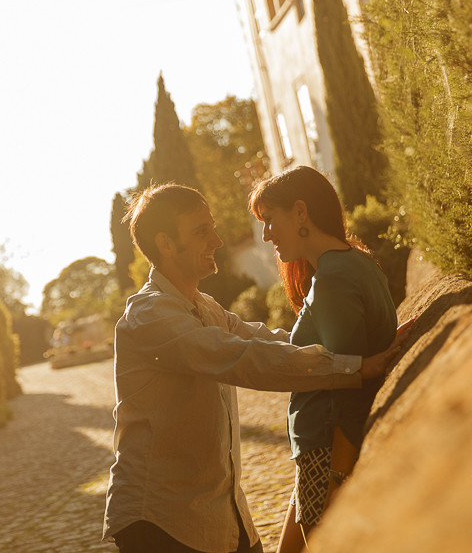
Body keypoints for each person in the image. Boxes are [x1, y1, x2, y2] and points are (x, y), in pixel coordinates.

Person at [102, 183, 408, 553]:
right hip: (160, 523)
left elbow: (264, 341)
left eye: (212, 227)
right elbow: (244, 359)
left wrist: (365, 346)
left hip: (221, 517)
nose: (217, 240)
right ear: (165, 244)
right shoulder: (149, 316)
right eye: (202, 231)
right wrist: (351, 369)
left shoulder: (204, 307)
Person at [248, 166, 401, 552]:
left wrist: (334, 478)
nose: (266, 235)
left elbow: (346, 389)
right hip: (315, 453)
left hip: (325, 453)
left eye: (270, 221)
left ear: (301, 212)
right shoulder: (356, 261)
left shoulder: (333, 278)